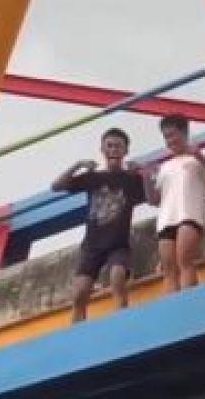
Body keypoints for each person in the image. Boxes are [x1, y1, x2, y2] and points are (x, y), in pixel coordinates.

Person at [51, 128, 145, 323]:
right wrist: (78, 165)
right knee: (79, 293)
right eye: (109, 146)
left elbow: (155, 198)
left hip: (118, 244)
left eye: (118, 146)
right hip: (92, 245)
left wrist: (144, 173)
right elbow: (56, 186)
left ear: (125, 151)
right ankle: (77, 330)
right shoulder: (94, 177)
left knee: (117, 277)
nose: (113, 150)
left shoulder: (132, 178)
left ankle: (121, 320)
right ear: (102, 149)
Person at [142, 114, 205, 292]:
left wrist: (199, 157)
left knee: (184, 260)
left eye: (172, 135)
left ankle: (188, 299)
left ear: (184, 132)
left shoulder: (202, 155)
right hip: (166, 220)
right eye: (166, 137)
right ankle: (172, 304)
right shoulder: (165, 166)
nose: (170, 140)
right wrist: (146, 178)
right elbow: (154, 200)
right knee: (169, 270)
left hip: (190, 215)